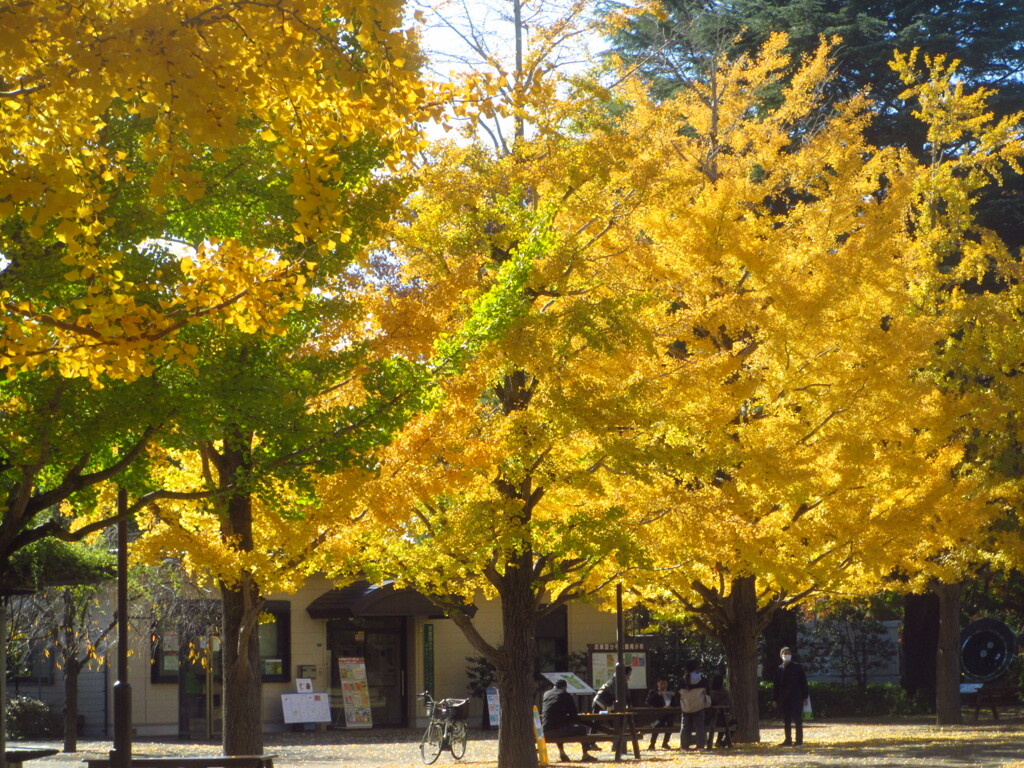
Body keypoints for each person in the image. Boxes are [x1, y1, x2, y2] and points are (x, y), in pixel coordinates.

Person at [542, 678, 597, 762]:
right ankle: (585, 755)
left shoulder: (546, 694)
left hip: (545, 731)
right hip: (558, 730)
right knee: (581, 729)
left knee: (557, 725)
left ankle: (562, 752)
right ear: (564, 687)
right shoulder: (565, 694)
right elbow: (573, 714)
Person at [773, 646, 809, 746]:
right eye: (785, 653)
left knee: (798, 720)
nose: (787, 655)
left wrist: (805, 696)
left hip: (797, 698)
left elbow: (803, 683)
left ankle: (799, 740)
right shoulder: (779, 669)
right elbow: (776, 686)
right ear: (781, 655)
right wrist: (775, 699)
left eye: (788, 653)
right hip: (784, 699)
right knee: (786, 720)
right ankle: (788, 740)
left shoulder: (798, 668)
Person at [678, 659, 710, 750]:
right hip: (699, 706)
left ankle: (684, 746)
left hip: (686, 707)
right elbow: (707, 693)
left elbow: (678, 694)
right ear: (697, 668)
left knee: (685, 727)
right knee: (700, 726)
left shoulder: (682, 681)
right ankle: (700, 745)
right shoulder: (702, 680)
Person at [645, 677, 678, 749]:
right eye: (661, 683)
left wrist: (673, 696)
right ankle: (652, 743)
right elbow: (648, 702)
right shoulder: (653, 692)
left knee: (670, 723)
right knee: (657, 725)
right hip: (656, 715)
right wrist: (657, 694)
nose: (663, 685)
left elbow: (675, 704)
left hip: (668, 714)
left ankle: (665, 743)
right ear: (658, 684)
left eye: (665, 684)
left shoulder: (670, 692)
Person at [706, 674, 734, 748]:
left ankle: (719, 741)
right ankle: (722, 742)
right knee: (731, 723)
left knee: (723, 720)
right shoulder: (725, 693)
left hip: (706, 719)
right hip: (720, 719)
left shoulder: (708, 693)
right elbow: (730, 706)